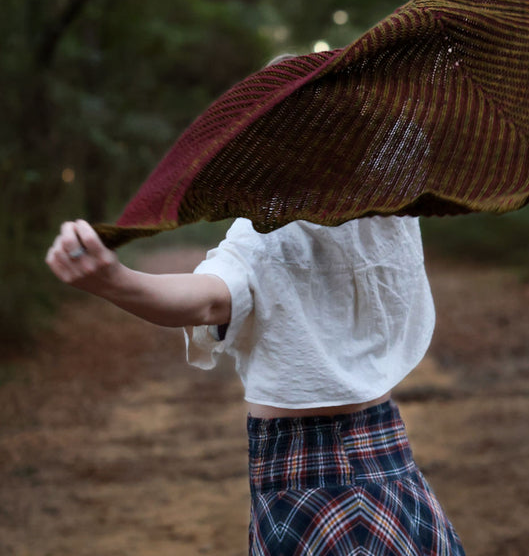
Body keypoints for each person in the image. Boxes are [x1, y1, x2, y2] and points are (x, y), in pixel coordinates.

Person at [46, 215, 466, 555]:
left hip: (311, 475)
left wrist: (114, 281)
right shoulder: (393, 219)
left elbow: (209, 299)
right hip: (389, 458)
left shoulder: (269, 232)